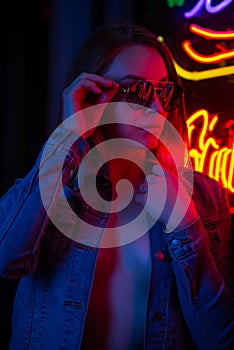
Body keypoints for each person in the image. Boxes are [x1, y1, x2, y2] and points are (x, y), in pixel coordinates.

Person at [0, 19, 233, 350]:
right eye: (137, 91)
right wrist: (66, 138)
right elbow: (6, 258)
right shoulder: (55, 188)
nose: (156, 108)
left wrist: (185, 226)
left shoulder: (207, 199)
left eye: (164, 91)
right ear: (93, 97)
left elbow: (222, 339)